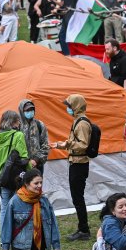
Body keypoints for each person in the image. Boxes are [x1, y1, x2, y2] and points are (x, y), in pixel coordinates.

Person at [0, 169, 62, 250]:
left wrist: (56, 248)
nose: (39, 186)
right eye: (36, 183)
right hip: (20, 247)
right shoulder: (15, 201)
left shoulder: (44, 201)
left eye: (41, 183)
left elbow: (53, 224)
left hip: (39, 247)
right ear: (27, 184)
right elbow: (7, 227)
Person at [53, 94, 92, 241]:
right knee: (77, 197)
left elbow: (83, 145)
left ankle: (84, 230)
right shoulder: (77, 121)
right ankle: (83, 228)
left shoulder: (81, 123)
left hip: (79, 164)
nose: (67, 109)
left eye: (69, 106)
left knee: (78, 198)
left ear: (76, 106)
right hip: (76, 162)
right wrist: (64, 144)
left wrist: (68, 144)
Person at [0, 111, 28, 231]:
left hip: (3, 178)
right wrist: (31, 175)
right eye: (18, 121)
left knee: (4, 209)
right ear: (13, 122)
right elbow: (24, 157)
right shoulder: (18, 136)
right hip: (17, 178)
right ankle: (17, 235)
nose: (19, 123)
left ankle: (4, 238)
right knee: (18, 207)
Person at [17, 99, 49, 174]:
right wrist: (25, 161)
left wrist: (36, 159)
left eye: (32, 109)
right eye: (27, 110)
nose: (30, 112)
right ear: (21, 111)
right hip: (21, 166)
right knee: (22, 185)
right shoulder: (17, 126)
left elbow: (45, 145)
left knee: (36, 185)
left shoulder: (39, 125)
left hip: (37, 165)